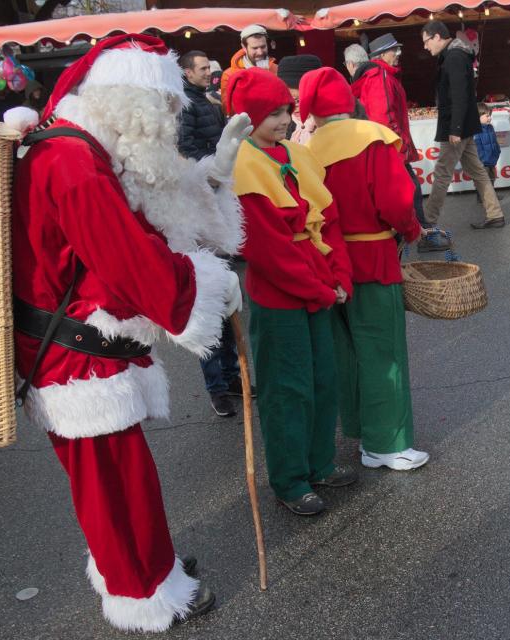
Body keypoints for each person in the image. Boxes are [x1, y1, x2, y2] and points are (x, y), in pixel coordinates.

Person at [9, 34, 247, 631]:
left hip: (73, 345)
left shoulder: (84, 149)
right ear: (128, 103)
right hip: (73, 357)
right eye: (164, 109)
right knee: (114, 482)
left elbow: (141, 217)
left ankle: (146, 565)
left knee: (118, 476)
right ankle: (140, 590)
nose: (170, 122)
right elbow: (125, 262)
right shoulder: (74, 163)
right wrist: (206, 283)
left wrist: (208, 189)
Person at [226, 68, 358, 516]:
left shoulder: (294, 155)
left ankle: (319, 463)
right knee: (287, 390)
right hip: (281, 296)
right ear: (249, 117)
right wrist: (322, 288)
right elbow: (269, 251)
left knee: (323, 380)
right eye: (273, 114)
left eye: (286, 110)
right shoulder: (243, 166)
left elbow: (330, 220)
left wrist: (340, 275)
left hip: (317, 285)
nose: (284, 120)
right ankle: (289, 479)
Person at [300, 67, 430, 471]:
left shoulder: (303, 151)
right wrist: (412, 231)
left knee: (346, 350)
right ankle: (386, 443)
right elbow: (395, 203)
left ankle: (358, 426)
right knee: (382, 350)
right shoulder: (372, 140)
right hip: (373, 258)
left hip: (328, 263)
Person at [177, 49, 257, 419]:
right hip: (196, 211)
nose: (210, 73)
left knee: (228, 301)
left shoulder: (206, 99)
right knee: (207, 306)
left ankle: (233, 377)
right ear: (186, 72)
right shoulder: (183, 107)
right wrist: (215, 169)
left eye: (210, 68)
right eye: (203, 69)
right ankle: (218, 387)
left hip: (217, 204)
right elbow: (189, 153)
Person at [421, 20, 506, 236]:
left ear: (437, 37)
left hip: (457, 126)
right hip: (464, 124)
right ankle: (495, 214)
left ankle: (428, 222)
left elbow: (459, 95)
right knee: (477, 170)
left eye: (426, 41)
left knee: (442, 173)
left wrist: (456, 129)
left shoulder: (454, 57)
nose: (425, 46)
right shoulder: (455, 54)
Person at [352, 33, 427, 230]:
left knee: (409, 189)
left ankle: (416, 231)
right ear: (383, 54)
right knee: (411, 189)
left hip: (389, 145)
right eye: (395, 50)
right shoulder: (380, 77)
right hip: (391, 146)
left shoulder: (382, 75)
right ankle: (419, 233)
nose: (398, 53)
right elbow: (383, 116)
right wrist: (399, 147)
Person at [219, 24, 278, 114]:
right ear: (244, 47)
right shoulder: (229, 74)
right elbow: (228, 110)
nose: (260, 52)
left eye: (263, 47)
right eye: (255, 48)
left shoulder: (276, 69)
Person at [276, 54, 323, 144]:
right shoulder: (277, 125)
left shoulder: (331, 123)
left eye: (298, 100)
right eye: (288, 101)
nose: (294, 107)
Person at [474, 103, 501, 194]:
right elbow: (477, 148)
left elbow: (494, 141)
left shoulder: (490, 128)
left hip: (491, 159)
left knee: (492, 178)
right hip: (483, 162)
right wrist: (482, 159)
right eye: (487, 116)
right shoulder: (476, 130)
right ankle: (484, 197)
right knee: (483, 181)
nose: (490, 118)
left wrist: (497, 151)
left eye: (490, 115)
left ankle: (491, 196)